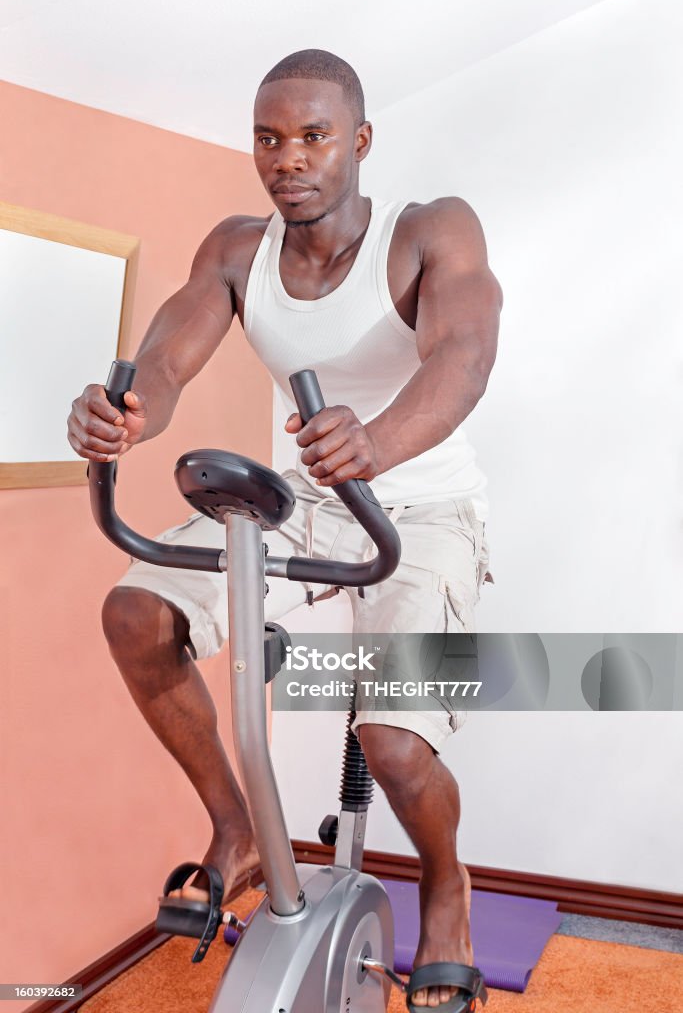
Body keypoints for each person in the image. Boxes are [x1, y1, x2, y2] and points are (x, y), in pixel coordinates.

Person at [68, 49, 502, 1011]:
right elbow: (172, 355)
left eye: (312, 136)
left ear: (359, 140)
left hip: (421, 502)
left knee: (391, 748)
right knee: (137, 613)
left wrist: (377, 443)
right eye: (268, 139)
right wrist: (128, 409)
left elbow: (464, 357)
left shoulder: (429, 231)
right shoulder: (236, 248)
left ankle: (445, 884)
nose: (288, 159)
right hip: (305, 494)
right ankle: (238, 830)